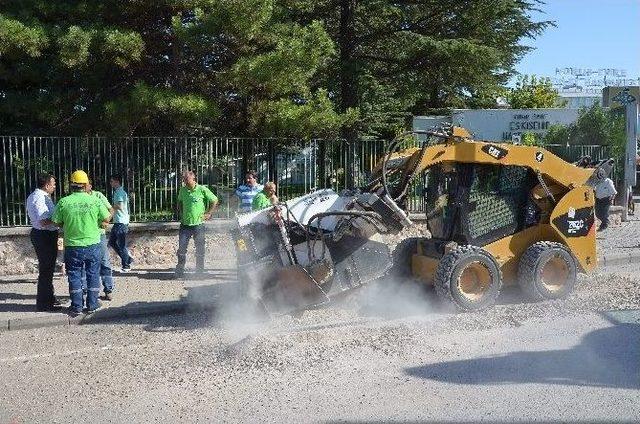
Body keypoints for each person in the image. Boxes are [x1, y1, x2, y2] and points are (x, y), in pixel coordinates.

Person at [50, 170, 111, 316]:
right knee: (93, 274)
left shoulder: (64, 202)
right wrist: (98, 222)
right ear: (85, 184)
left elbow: (55, 222)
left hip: (72, 246)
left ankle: (76, 307)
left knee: (74, 275)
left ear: (72, 184)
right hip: (93, 244)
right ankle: (92, 305)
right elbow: (107, 217)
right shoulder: (95, 200)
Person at [25, 173, 62, 311]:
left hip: (44, 235)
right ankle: (44, 304)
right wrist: (60, 221)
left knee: (48, 269)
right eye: (53, 184)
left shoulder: (40, 196)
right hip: (44, 235)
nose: (54, 186)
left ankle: (49, 298)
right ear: (46, 185)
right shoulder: (40, 198)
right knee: (46, 271)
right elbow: (44, 221)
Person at [175, 170, 218, 278]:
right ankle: (180, 270)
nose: (184, 181)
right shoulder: (183, 190)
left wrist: (209, 213)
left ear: (193, 178)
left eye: (186, 179)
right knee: (181, 249)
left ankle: (199, 272)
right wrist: (181, 211)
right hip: (185, 225)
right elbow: (179, 201)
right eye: (184, 179)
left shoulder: (202, 189)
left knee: (200, 249)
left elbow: (214, 200)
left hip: (198, 225)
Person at [86, 181, 115, 301]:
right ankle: (87, 291)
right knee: (87, 264)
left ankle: (108, 289)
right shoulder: (77, 198)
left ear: (90, 186)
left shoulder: (98, 195)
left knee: (104, 262)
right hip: (86, 236)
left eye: (85, 184)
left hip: (99, 234)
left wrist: (107, 220)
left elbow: (111, 209)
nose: (83, 186)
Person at [108, 174, 133, 272]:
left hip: (121, 222)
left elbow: (120, 206)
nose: (110, 183)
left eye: (111, 181)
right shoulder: (118, 192)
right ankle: (128, 259)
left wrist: (110, 208)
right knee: (112, 242)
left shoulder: (120, 192)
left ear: (116, 181)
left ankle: (126, 265)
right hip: (118, 222)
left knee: (121, 245)